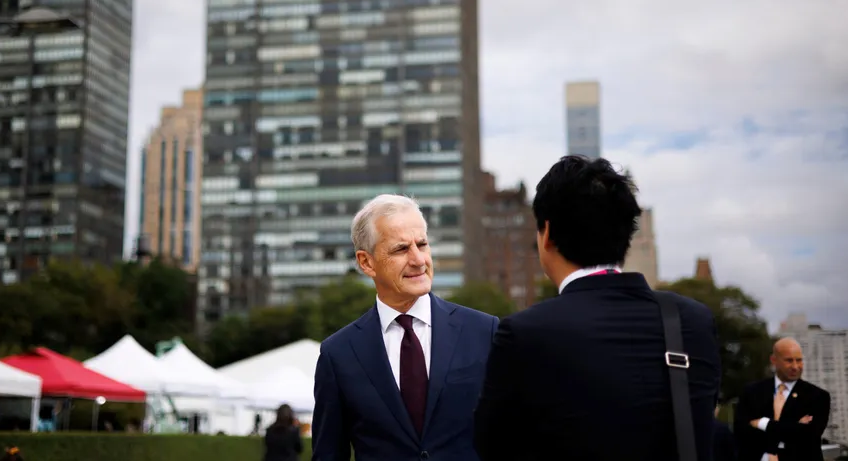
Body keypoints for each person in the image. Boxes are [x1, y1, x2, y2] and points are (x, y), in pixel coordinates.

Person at [474, 155, 722, 461]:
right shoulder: (693, 321)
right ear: (626, 233)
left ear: (547, 234)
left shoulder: (525, 333)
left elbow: (491, 445)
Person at [312, 194, 499, 461]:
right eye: (401, 249)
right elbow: (328, 454)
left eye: (422, 245)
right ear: (366, 262)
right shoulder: (338, 354)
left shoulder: (485, 332)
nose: (418, 260)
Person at [733, 337, 830, 461]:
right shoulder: (752, 392)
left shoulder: (817, 396)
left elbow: (809, 435)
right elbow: (741, 432)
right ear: (774, 360)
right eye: (789, 361)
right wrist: (794, 427)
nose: (795, 366)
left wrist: (763, 423)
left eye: (799, 360)